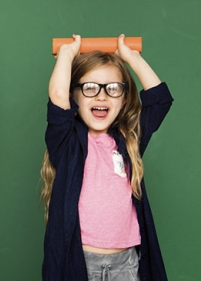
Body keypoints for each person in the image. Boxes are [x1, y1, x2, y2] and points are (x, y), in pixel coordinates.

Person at [41, 34, 172, 280]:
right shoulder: (68, 142)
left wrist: (132, 57)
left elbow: (159, 100)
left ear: (123, 100)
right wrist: (67, 55)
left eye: (112, 88)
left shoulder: (129, 140)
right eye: (89, 88)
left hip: (126, 265)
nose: (101, 96)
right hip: (80, 264)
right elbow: (57, 96)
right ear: (74, 97)